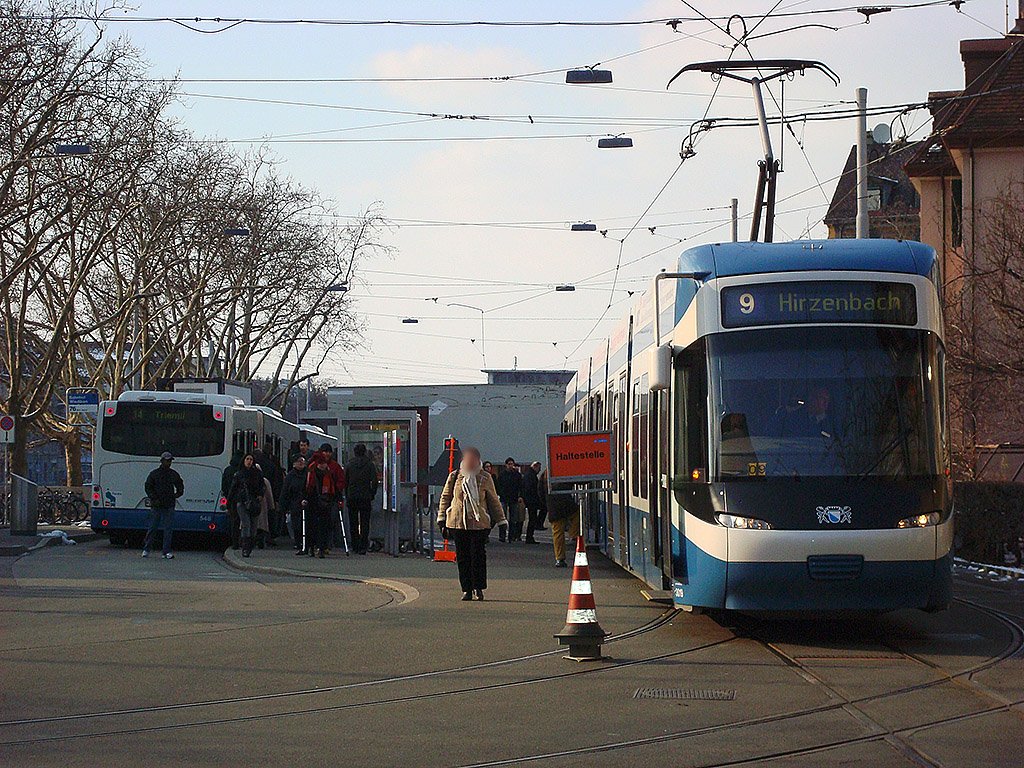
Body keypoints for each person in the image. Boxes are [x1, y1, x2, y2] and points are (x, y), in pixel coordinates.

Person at [437, 447, 507, 601]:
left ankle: (479, 588)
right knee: (463, 557)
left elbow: (493, 501)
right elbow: (445, 497)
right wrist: (441, 519)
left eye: (472, 459)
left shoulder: (485, 477)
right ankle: (466, 589)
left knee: (478, 556)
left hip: (478, 524)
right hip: (458, 524)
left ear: (477, 460)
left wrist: (501, 521)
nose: (469, 461)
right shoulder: (455, 476)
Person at [142, 451, 184, 559]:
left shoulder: (171, 474)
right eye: (167, 461)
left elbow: (179, 484)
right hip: (158, 504)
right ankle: (147, 549)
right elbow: (148, 486)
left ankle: (165, 551)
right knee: (153, 528)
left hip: (167, 504)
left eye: (170, 461)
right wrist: (154, 498)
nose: (169, 463)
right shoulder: (155, 474)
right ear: (162, 461)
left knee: (167, 529)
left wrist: (178, 493)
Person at [305, 450, 341, 558]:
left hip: (324, 503)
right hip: (315, 502)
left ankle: (320, 547)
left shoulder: (325, 474)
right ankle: (314, 547)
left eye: (324, 463)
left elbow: (333, 488)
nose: (323, 466)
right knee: (314, 526)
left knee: (322, 526)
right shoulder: (314, 473)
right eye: (321, 464)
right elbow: (308, 488)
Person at [227, 454, 264, 558]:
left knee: (254, 526)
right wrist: (229, 503)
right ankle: (245, 547)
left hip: (254, 502)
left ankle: (250, 544)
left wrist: (261, 495)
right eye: (247, 459)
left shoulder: (257, 474)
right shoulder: (239, 474)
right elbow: (233, 489)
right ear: (243, 461)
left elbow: (262, 486)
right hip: (242, 502)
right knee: (246, 524)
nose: (249, 461)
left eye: (251, 459)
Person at [344, 443, 379, 555]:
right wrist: (372, 494)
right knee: (365, 522)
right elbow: (374, 481)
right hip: (365, 496)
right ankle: (363, 546)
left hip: (352, 496)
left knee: (353, 522)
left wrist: (347, 494)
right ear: (364, 452)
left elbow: (346, 481)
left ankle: (355, 545)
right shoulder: (370, 465)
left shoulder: (349, 464)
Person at [544, 472, 579, 568]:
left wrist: (547, 504)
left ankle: (560, 558)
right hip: (567, 505)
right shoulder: (563, 469)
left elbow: (540, 491)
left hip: (553, 506)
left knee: (557, 532)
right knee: (577, 515)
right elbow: (577, 480)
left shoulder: (545, 474)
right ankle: (574, 535)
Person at [319, 443, 347, 552]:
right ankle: (323, 544)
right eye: (325, 451)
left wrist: (336, 489)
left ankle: (328, 544)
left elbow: (341, 481)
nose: (327, 454)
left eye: (328, 452)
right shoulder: (317, 465)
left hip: (332, 497)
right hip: (321, 497)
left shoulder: (335, 466)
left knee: (331, 520)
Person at [279, 455, 308, 552]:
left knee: (306, 523)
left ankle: (305, 542)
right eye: (299, 461)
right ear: (294, 463)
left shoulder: (307, 474)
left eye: (302, 461)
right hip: (294, 502)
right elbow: (285, 491)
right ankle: (298, 541)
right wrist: (284, 506)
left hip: (306, 501)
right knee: (296, 524)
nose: (301, 463)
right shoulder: (291, 476)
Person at [496, 457, 523, 543]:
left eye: (512, 464)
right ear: (506, 465)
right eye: (509, 464)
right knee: (503, 518)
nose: (511, 466)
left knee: (513, 519)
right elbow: (498, 486)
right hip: (504, 498)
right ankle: (502, 536)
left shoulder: (517, 475)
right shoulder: (502, 475)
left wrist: (520, 496)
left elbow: (520, 486)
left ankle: (511, 536)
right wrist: (500, 494)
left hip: (513, 498)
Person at [221, 451, 243, 550]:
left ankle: (234, 542)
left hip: (231, 499)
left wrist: (227, 497)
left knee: (234, 521)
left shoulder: (227, 470)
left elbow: (224, 486)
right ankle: (241, 541)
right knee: (242, 520)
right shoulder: (241, 471)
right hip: (241, 499)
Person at [520, 461, 543, 544]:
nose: (539, 470)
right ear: (535, 467)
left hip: (530, 500)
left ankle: (530, 537)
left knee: (532, 519)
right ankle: (529, 537)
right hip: (531, 500)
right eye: (539, 468)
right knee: (532, 519)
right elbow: (531, 489)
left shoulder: (529, 474)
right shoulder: (531, 476)